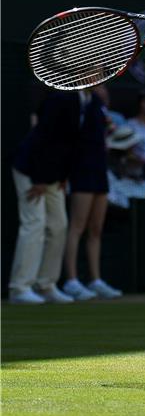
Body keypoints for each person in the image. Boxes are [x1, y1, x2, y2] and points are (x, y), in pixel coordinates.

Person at [8, 92, 80, 304]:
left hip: (54, 175)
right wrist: (39, 177)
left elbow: (71, 143)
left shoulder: (88, 101)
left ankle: (46, 284)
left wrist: (64, 174)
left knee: (59, 225)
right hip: (32, 170)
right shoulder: (61, 98)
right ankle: (19, 288)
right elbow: (44, 137)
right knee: (35, 223)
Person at [63, 88, 122, 301]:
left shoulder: (97, 102)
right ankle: (71, 280)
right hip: (82, 168)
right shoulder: (75, 101)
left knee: (96, 228)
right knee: (77, 226)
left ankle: (95, 280)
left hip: (99, 169)